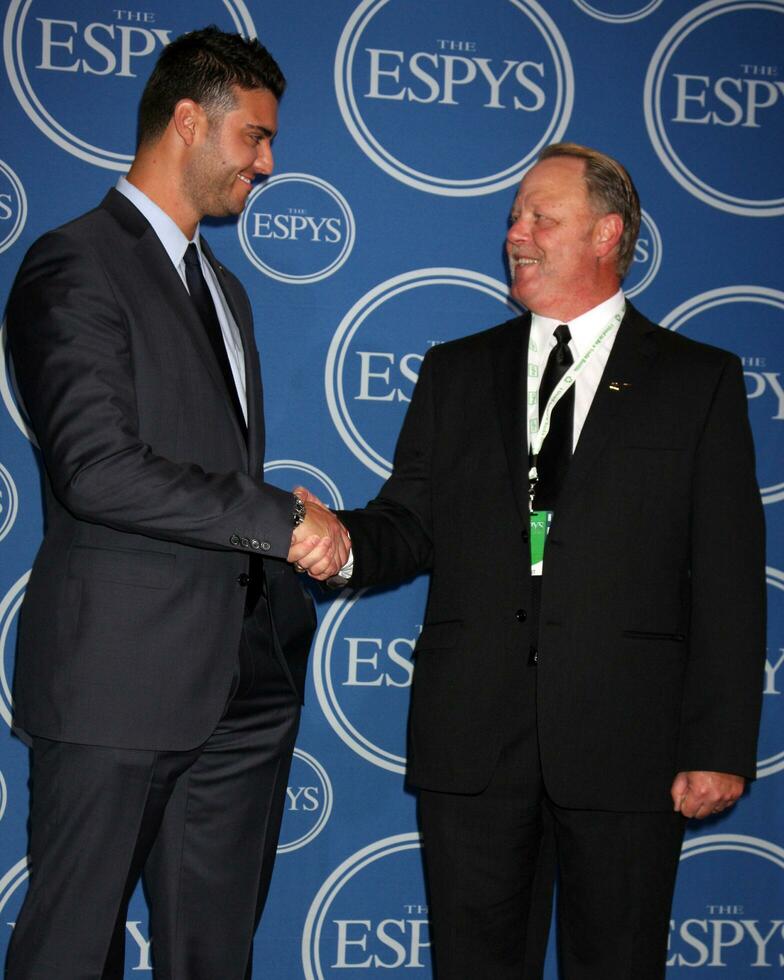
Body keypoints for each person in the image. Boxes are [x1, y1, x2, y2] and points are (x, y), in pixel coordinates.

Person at [296, 143, 766, 978]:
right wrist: (340, 545)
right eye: (514, 215)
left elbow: (728, 579)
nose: (516, 232)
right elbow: (408, 523)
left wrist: (721, 742)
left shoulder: (699, 382)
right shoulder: (455, 372)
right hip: (474, 741)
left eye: (540, 217)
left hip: (630, 745)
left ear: (606, 234)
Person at [4, 26, 348, 979]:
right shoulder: (72, 264)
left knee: (214, 958)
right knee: (72, 952)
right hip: (117, 682)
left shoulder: (228, 292)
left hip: (241, 692)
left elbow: (205, 467)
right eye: (255, 138)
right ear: (188, 122)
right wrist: (281, 518)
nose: (269, 164)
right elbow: (97, 469)